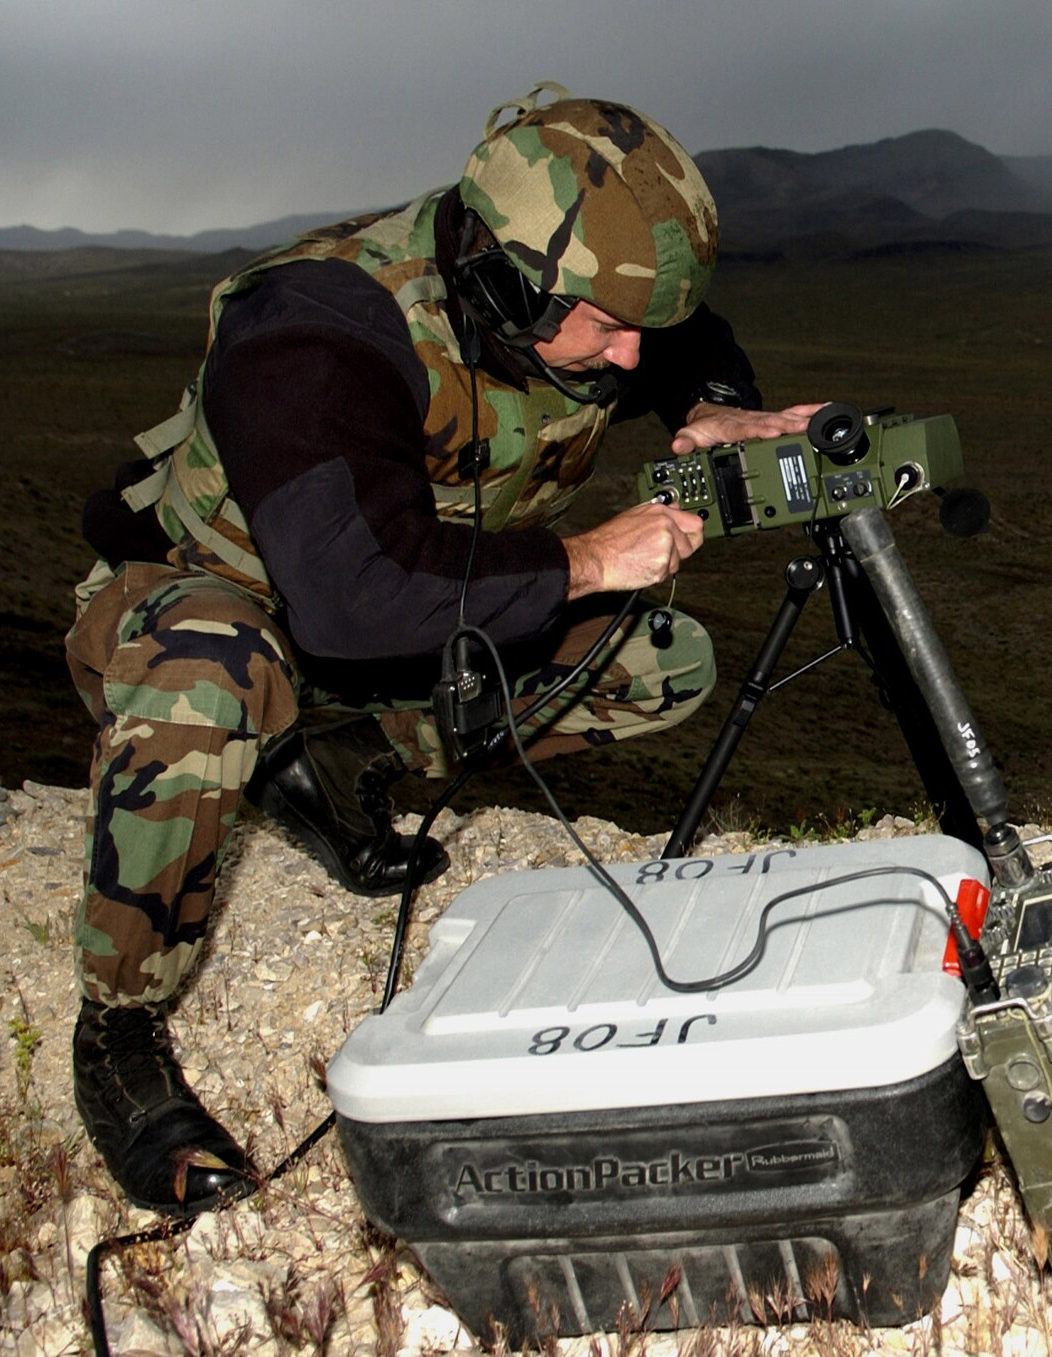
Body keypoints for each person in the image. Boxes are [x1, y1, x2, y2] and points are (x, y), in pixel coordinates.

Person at [65, 83, 818, 1215]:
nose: (625, 358)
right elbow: (349, 597)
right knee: (213, 671)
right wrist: (582, 561)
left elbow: (674, 332)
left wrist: (712, 405)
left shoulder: (568, 294)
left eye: (635, 334)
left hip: (403, 607)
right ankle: (117, 1025)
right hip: (232, 606)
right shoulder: (314, 330)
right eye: (606, 330)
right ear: (504, 283)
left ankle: (339, 757)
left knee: (655, 662)